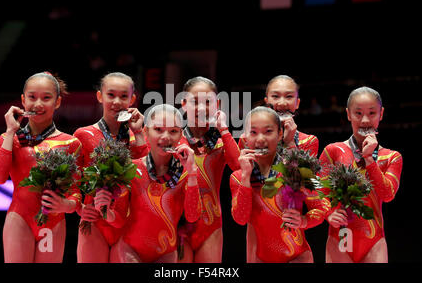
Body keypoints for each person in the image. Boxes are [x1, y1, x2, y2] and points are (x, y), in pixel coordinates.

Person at [0, 72, 82, 263]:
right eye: (32, 97)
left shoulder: (71, 143)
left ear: (57, 102)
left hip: (53, 222)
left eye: (46, 98)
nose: (38, 104)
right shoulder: (11, 140)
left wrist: (66, 205)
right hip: (19, 219)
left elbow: (75, 192)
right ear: (23, 100)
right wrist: (9, 132)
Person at [230, 106, 329, 263]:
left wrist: (304, 221)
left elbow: (320, 207)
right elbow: (241, 219)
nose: (260, 139)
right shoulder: (238, 178)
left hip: (298, 258)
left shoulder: (296, 168)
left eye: (268, 131)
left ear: (280, 134)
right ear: (245, 138)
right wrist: (246, 176)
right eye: (253, 132)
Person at [319, 87, 403, 263]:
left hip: (374, 242)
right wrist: (328, 212)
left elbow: (387, 195)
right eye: (358, 113)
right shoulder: (333, 151)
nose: (365, 120)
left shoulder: (391, 157)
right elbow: (316, 191)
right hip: (342, 236)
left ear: (381, 114)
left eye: (372, 113)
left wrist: (369, 159)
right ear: (348, 114)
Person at [73, 72, 148, 263]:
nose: (117, 101)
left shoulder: (139, 136)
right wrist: (79, 207)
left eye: (124, 96)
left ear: (132, 99)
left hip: (129, 223)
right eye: (111, 95)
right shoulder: (83, 135)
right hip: (94, 221)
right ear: (100, 96)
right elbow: (72, 180)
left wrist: (139, 132)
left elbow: (147, 177)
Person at [118, 104, 201, 262]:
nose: (166, 137)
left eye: (173, 131)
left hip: (166, 254)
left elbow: (192, 217)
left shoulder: (186, 173)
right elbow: (117, 219)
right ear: (146, 132)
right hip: (131, 251)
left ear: (181, 135)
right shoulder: (131, 169)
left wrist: (192, 174)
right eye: (158, 129)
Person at [177, 76, 240, 263]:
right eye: (195, 102)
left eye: (208, 102)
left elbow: (238, 167)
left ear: (217, 104)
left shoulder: (221, 142)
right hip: (177, 224)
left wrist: (225, 129)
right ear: (183, 103)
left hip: (211, 226)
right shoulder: (173, 138)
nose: (201, 108)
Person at [239, 75, 319, 157]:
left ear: (297, 103)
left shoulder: (308, 141)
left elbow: (302, 170)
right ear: (267, 102)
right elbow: (240, 169)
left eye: (289, 96)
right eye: (275, 96)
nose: (282, 103)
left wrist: (290, 143)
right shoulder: (246, 139)